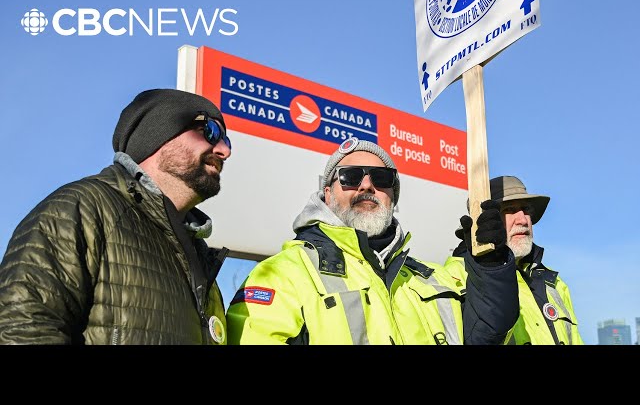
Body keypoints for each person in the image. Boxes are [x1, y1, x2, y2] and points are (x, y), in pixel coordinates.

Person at [226, 137, 519, 345]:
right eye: (351, 177)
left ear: (393, 195)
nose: (367, 185)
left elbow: (487, 334)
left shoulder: (432, 279)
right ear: (327, 194)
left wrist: (491, 268)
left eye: (381, 177)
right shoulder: (283, 273)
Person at [0, 88, 233, 345]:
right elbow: (22, 330)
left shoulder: (199, 253)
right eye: (211, 131)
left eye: (227, 141)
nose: (224, 151)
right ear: (159, 134)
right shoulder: (83, 208)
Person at [445, 175, 583, 345]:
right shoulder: (454, 277)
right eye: (508, 210)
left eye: (526, 210)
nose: (524, 220)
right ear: (484, 220)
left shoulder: (554, 285)